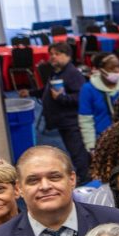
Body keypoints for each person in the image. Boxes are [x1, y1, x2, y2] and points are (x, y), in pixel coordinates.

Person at [28, 41, 90, 181]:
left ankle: (85, 178)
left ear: (67, 56)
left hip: (71, 121)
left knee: (77, 151)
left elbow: (80, 97)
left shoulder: (72, 74)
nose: (53, 57)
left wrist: (62, 98)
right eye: (51, 54)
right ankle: (84, 174)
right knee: (73, 150)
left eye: (57, 54)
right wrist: (31, 92)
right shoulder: (57, 72)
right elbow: (47, 91)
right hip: (62, 120)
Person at [78, 52, 119, 150]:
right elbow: (86, 120)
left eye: (118, 67)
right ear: (101, 70)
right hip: (102, 139)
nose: (117, 71)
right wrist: (91, 146)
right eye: (112, 68)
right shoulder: (88, 89)